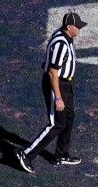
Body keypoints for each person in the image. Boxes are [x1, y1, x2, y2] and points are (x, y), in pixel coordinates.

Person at [14, 11, 88, 173]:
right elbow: (52, 72)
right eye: (78, 27)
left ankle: (61, 154)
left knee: (69, 117)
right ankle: (25, 153)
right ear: (69, 27)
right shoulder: (61, 43)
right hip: (57, 85)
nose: (80, 30)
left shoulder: (65, 37)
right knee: (57, 123)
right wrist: (58, 98)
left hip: (65, 84)